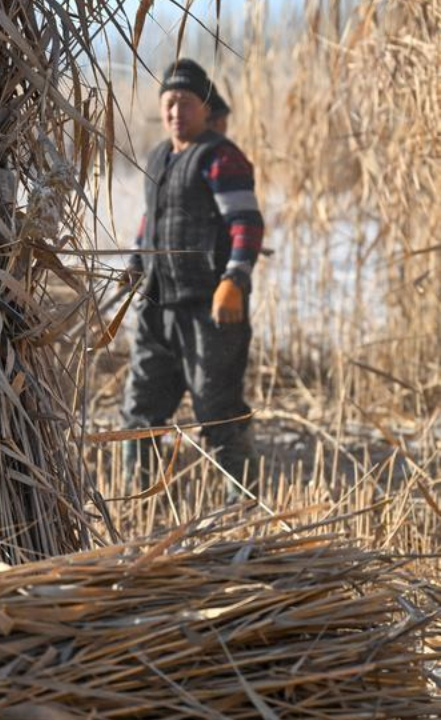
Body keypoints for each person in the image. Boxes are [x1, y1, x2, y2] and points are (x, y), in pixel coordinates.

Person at [121, 60, 264, 498]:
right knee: (140, 407)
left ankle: (242, 503)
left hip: (210, 310)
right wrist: (136, 264)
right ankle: (139, 496)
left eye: (185, 102)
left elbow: (247, 223)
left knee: (217, 408)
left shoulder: (221, 157)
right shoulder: (159, 156)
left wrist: (235, 279)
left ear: (205, 109)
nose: (175, 111)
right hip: (157, 305)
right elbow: (154, 219)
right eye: (169, 102)